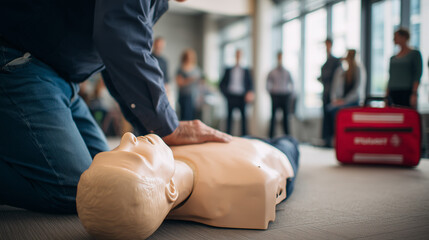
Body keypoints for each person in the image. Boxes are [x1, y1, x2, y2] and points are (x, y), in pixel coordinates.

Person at [0, 0, 230, 214]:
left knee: (105, 174)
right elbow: (120, 34)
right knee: (77, 188)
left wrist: (155, 131)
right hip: (20, 60)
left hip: (63, 79)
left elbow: (114, 58)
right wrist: (168, 126)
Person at [76, 132, 299, 239]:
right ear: (170, 188)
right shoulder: (250, 181)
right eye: (136, 157)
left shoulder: (162, 151)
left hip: (230, 141)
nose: (127, 137)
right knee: (288, 141)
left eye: (114, 150)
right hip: (271, 153)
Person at [325, 49, 365, 146]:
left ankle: (343, 137)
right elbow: (334, 89)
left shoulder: (359, 70)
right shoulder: (341, 71)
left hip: (354, 101)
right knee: (330, 108)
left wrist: (344, 101)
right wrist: (335, 100)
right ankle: (335, 138)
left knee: (338, 111)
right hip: (341, 101)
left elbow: (357, 91)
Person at [220, 49, 254, 136]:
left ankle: (244, 137)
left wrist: (250, 93)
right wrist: (226, 95)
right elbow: (222, 84)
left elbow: (250, 84)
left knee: (244, 120)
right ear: (235, 56)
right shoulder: (228, 69)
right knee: (229, 120)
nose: (238, 56)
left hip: (242, 97)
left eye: (240, 55)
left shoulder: (246, 70)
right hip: (231, 96)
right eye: (237, 55)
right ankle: (227, 136)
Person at [386, 28, 423, 109]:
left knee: (406, 116)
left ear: (404, 37)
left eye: (396, 36)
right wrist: (386, 94)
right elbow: (390, 76)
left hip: (406, 91)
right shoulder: (393, 58)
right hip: (393, 91)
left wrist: (414, 93)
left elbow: (417, 74)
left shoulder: (414, 54)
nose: (394, 39)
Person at [318, 38, 341, 147]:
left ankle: (334, 141)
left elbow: (339, 79)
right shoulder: (324, 63)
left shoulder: (336, 61)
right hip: (325, 93)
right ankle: (326, 141)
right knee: (325, 118)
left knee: (333, 118)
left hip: (334, 94)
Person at [267, 51, 294, 138]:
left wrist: (290, 94)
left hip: (285, 95)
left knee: (286, 118)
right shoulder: (272, 72)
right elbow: (267, 83)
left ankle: (287, 137)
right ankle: (271, 136)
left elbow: (292, 84)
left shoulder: (287, 72)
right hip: (275, 95)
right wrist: (270, 92)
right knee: (273, 118)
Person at [176, 49, 202, 120]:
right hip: (185, 96)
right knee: (185, 117)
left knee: (193, 117)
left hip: (194, 96)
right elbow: (179, 83)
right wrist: (190, 79)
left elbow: (200, 83)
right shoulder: (181, 69)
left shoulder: (196, 69)